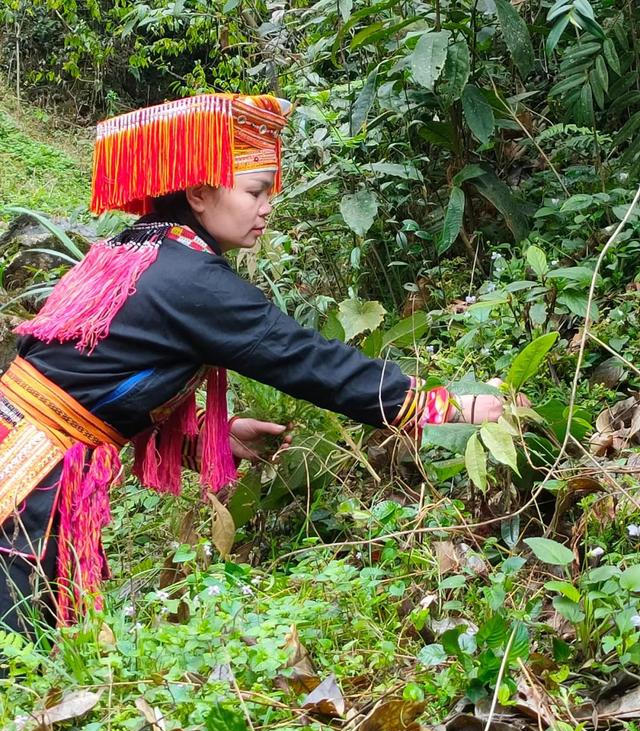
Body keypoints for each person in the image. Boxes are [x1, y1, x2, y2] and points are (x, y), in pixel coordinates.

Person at [0, 93, 508, 635]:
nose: (267, 206)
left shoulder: (134, 249)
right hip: (32, 476)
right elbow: (304, 358)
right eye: (255, 191)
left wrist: (209, 435)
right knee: (23, 646)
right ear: (198, 192)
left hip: (23, 444)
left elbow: (93, 377)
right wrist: (444, 406)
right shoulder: (191, 279)